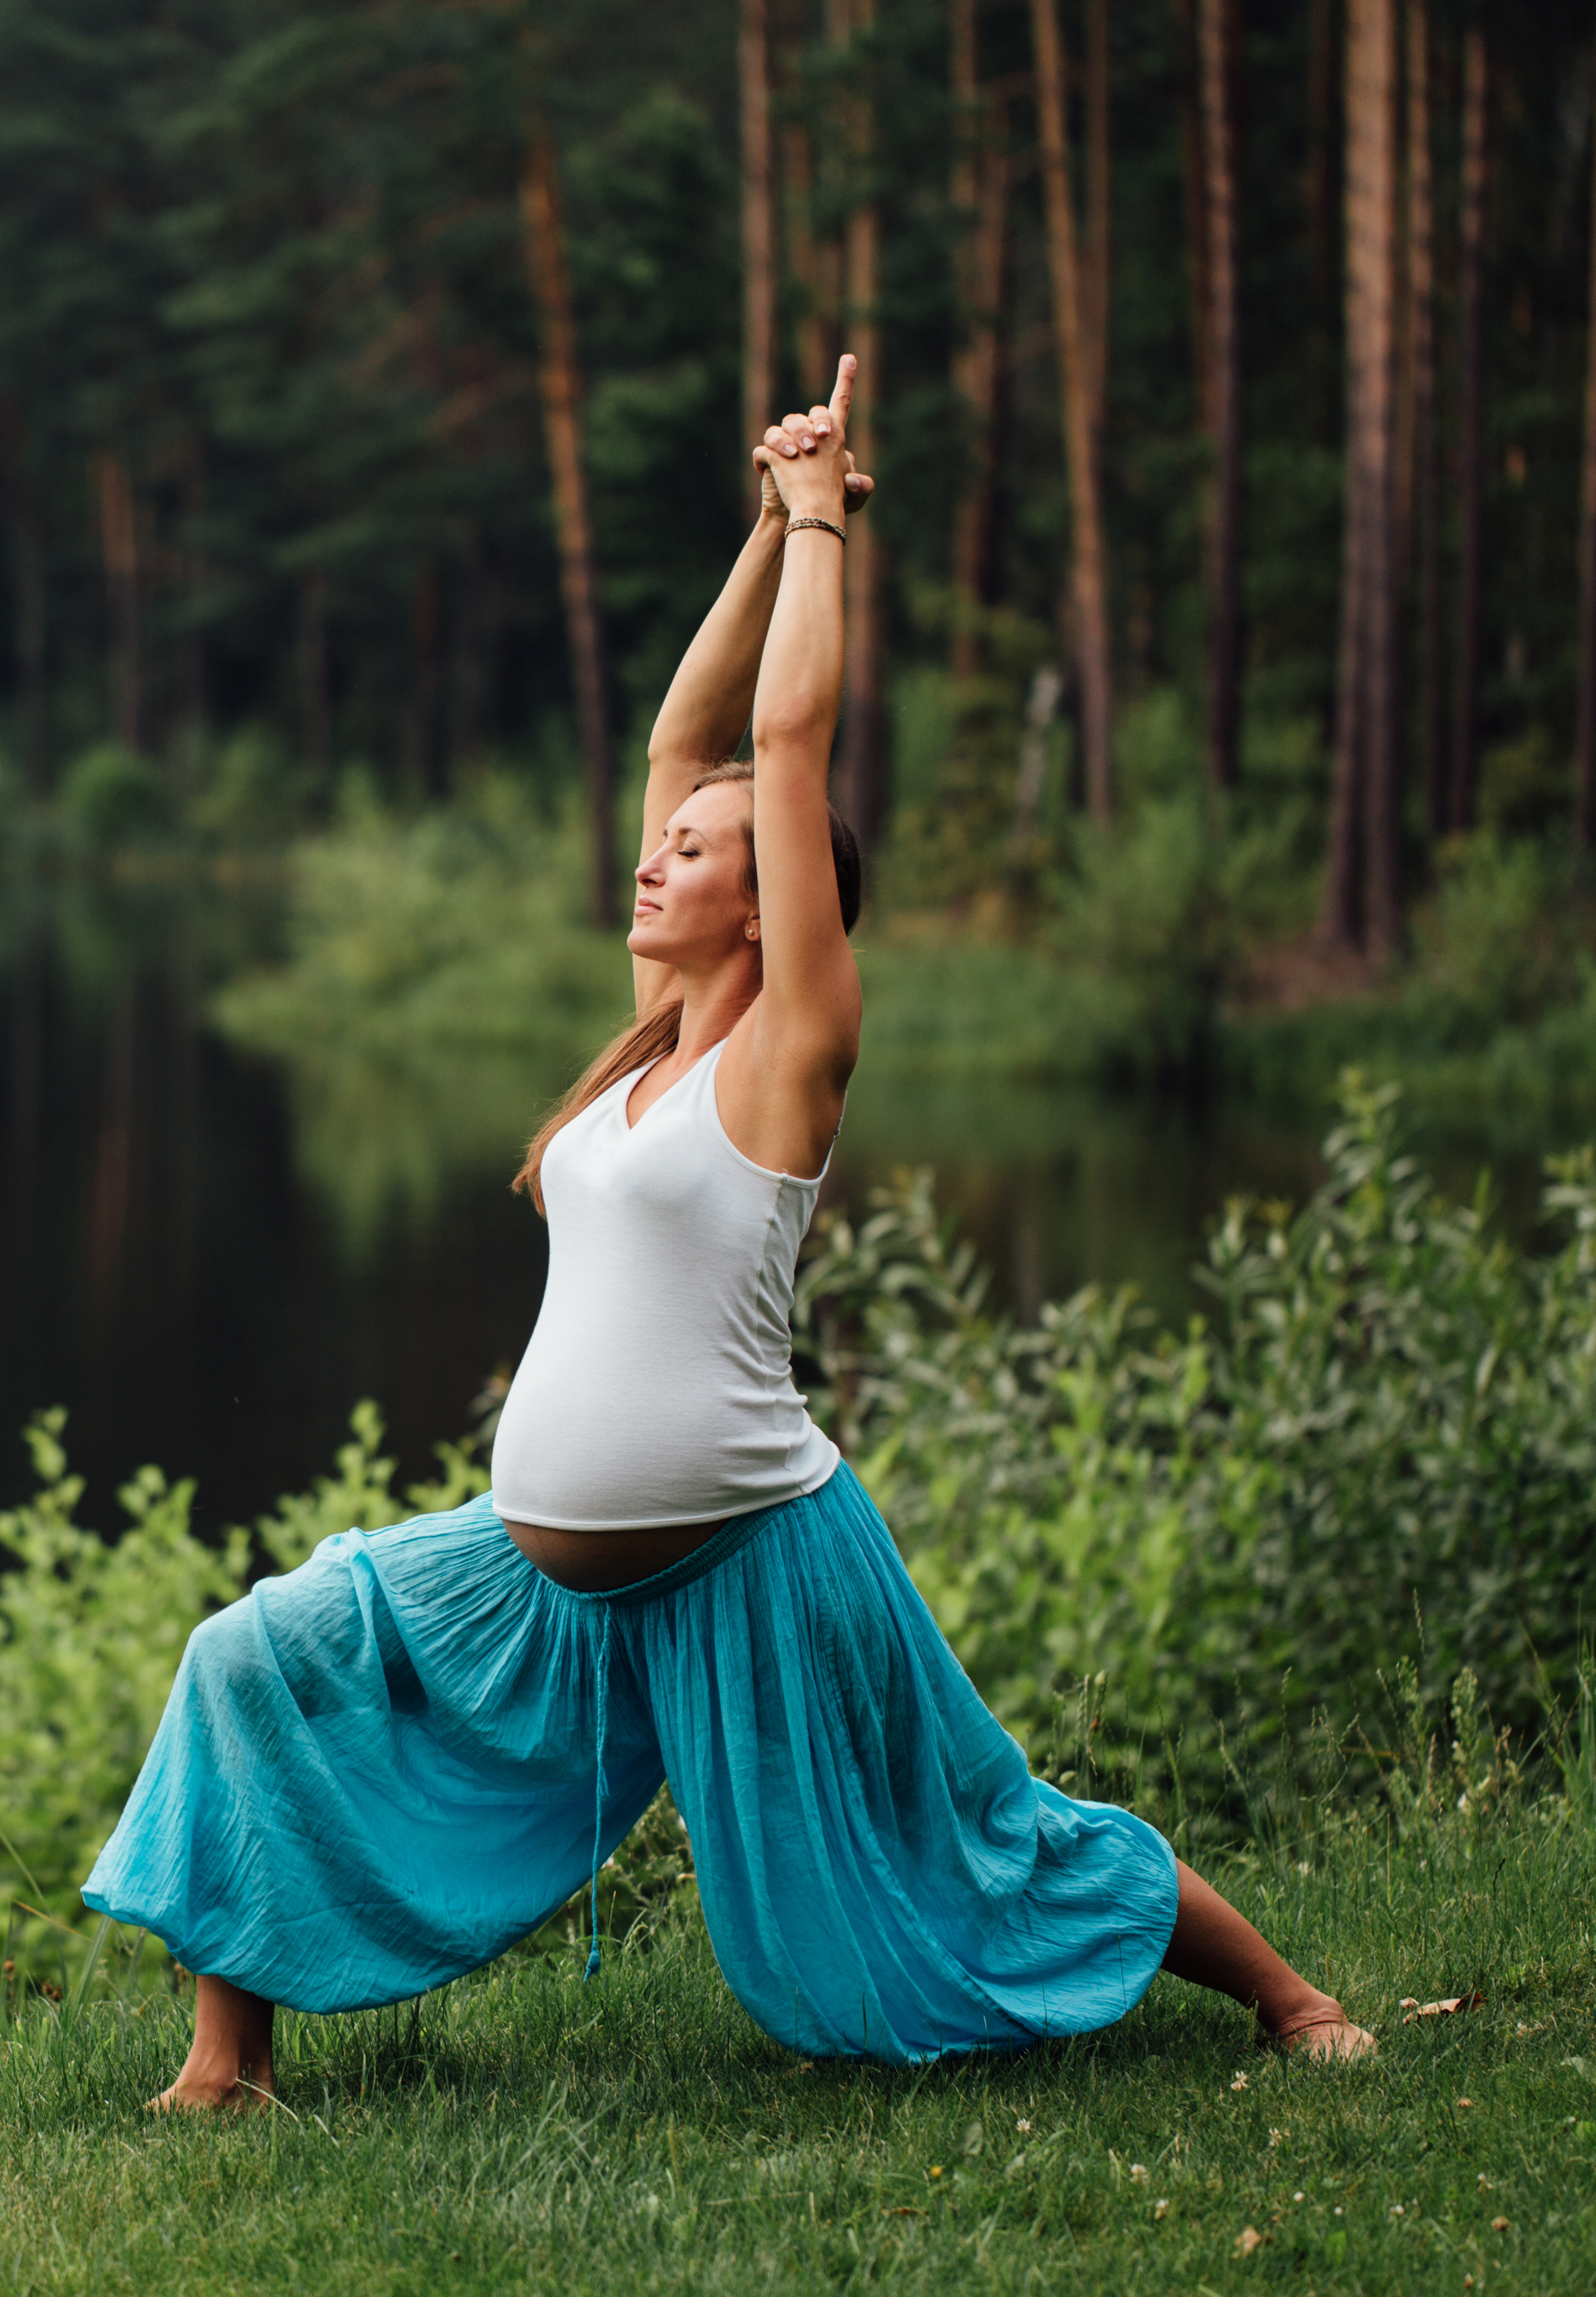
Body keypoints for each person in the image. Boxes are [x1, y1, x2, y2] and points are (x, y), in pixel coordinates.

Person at [81, 359, 1376, 2112]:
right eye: (667, 850)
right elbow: (684, 740)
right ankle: (224, 2065)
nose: (658, 857)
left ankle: (1291, 2001)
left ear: (776, 904)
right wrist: (764, 528)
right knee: (251, 1653)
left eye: (697, 856)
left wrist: (833, 516)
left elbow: (775, 746)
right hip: (541, 1579)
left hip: (759, 1552)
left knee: (977, 1830)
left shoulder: (787, 1061)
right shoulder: (647, 1050)